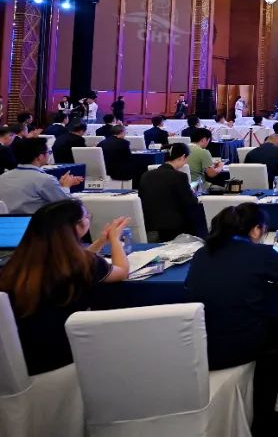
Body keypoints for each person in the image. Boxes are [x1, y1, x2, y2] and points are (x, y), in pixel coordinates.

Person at [184, 203, 278, 428]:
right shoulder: (259, 253)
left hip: (200, 342)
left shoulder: (202, 253)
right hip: (237, 346)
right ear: (256, 230)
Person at [0, 199, 129, 376]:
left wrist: (100, 242)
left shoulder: (17, 264)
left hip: (23, 361)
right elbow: (122, 271)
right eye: (87, 216)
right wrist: (115, 240)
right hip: (62, 361)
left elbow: (78, 260)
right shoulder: (83, 264)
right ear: (77, 226)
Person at [0, 138, 84, 213]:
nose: (49, 155)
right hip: (35, 224)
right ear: (39, 157)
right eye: (48, 152)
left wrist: (59, 185)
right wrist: (66, 187)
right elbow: (66, 205)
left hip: (7, 223)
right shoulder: (44, 179)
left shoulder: (3, 177)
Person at [139, 143, 200, 241]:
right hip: (173, 230)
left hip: (149, 226)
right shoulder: (180, 177)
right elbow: (191, 203)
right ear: (183, 157)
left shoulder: (146, 175)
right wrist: (192, 193)